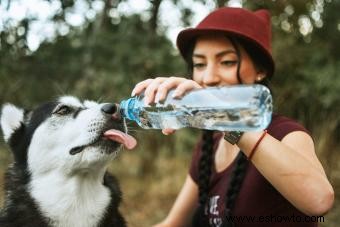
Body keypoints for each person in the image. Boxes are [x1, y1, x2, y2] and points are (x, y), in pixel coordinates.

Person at [131, 7, 334, 227]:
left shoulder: (286, 133)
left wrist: (226, 117)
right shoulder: (209, 144)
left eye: (227, 62)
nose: (208, 78)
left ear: (260, 70)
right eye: (199, 64)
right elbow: (173, 224)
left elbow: (319, 200)